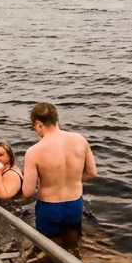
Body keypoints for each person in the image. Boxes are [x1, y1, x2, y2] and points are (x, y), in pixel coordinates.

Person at [20, 103, 97, 243]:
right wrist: (72, 180)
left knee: (51, 246)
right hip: (75, 204)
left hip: (49, 207)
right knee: (73, 239)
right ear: (56, 120)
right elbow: (92, 173)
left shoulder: (34, 152)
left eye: (35, 128)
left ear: (38, 124)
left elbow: (28, 191)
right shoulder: (80, 140)